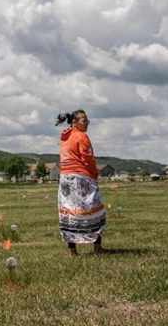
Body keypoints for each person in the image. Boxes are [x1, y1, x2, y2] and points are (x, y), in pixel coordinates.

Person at [56, 109, 109, 256]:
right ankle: (97, 248)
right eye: (83, 120)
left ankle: (73, 251)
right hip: (80, 177)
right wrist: (94, 173)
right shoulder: (81, 136)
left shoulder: (65, 137)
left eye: (87, 121)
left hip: (65, 178)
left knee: (70, 212)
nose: (87, 124)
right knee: (94, 210)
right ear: (74, 122)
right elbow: (87, 158)